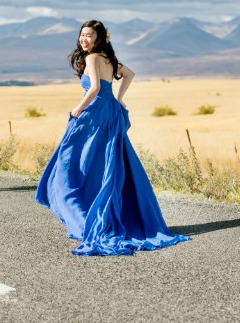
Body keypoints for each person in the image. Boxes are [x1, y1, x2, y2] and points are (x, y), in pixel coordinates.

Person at [35, 20, 190, 256]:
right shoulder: (107, 58)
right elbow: (129, 74)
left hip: (95, 113)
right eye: (82, 35)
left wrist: (78, 108)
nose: (84, 39)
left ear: (99, 38)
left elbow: (95, 88)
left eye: (89, 35)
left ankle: (83, 215)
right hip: (109, 112)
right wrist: (118, 98)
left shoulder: (94, 58)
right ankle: (97, 211)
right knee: (107, 162)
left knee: (69, 161)